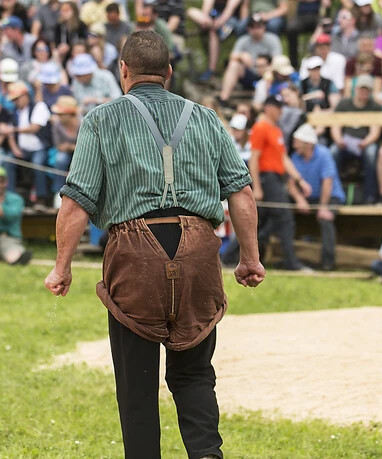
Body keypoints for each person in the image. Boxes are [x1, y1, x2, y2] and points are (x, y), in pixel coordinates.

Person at [44, 31, 263, 459]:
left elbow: (75, 202)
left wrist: (61, 266)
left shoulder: (101, 119)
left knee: (137, 385)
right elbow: (241, 192)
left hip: (135, 253)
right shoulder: (205, 118)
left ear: (122, 71)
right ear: (168, 73)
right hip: (199, 247)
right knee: (195, 375)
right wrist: (249, 259)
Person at [223, 95, 308, 270]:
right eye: (278, 107)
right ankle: (291, 262)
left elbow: (283, 158)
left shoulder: (276, 130)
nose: (281, 111)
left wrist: (300, 179)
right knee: (285, 219)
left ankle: (229, 255)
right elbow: (254, 158)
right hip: (266, 178)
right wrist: (258, 187)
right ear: (269, 108)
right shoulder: (261, 128)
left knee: (258, 221)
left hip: (276, 178)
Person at [288, 124, 345, 271]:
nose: (294, 144)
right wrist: (299, 199)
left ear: (307, 144)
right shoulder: (295, 157)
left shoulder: (324, 154)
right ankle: (289, 258)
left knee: (325, 218)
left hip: (331, 196)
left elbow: (328, 182)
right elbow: (291, 183)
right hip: (308, 197)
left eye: (297, 141)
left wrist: (323, 206)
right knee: (283, 214)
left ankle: (327, 263)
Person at [332, 74, 382, 203]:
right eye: (361, 89)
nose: (364, 92)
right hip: (345, 141)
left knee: (371, 153)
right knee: (332, 152)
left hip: (365, 141)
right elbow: (335, 125)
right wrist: (338, 140)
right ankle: (334, 193)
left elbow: (375, 131)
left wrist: (366, 142)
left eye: (367, 90)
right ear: (356, 89)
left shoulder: (374, 106)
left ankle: (370, 195)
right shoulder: (344, 104)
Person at [4, 81, 52, 209]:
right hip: (21, 150)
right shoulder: (14, 112)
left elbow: (34, 128)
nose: (15, 102)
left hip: (39, 148)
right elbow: (10, 135)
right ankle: (10, 196)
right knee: (8, 161)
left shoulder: (38, 106)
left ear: (25, 95)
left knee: (38, 165)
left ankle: (41, 198)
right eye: (13, 100)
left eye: (17, 98)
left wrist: (14, 130)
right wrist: (14, 148)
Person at [218, 15, 281, 104]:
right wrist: (241, 56)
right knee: (233, 64)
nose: (256, 30)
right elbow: (232, 56)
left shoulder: (273, 39)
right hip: (250, 75)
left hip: (268, 76)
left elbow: (278, 60)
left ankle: (269, 101)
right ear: (248, 28)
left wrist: (266, 69)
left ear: (264, 27)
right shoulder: (243, 40)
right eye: (253, 27)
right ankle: (223, 99)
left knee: (273, 71)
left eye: (259, 26)